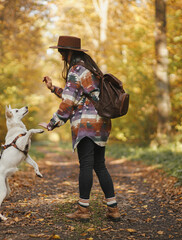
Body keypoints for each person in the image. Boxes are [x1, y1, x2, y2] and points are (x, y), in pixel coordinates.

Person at [39, 36, 121, 222]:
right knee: (100, 165)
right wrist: (53, 89)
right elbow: (78, 95)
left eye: (62, 52)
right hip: (101, 122)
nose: (61, 57)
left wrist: (52, 123)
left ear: (70, 52)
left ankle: (83, 210)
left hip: (86, 124)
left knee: (85, 165)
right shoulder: (91, 70)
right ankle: (113, 209)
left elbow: (70, 101)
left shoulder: (76, 70)